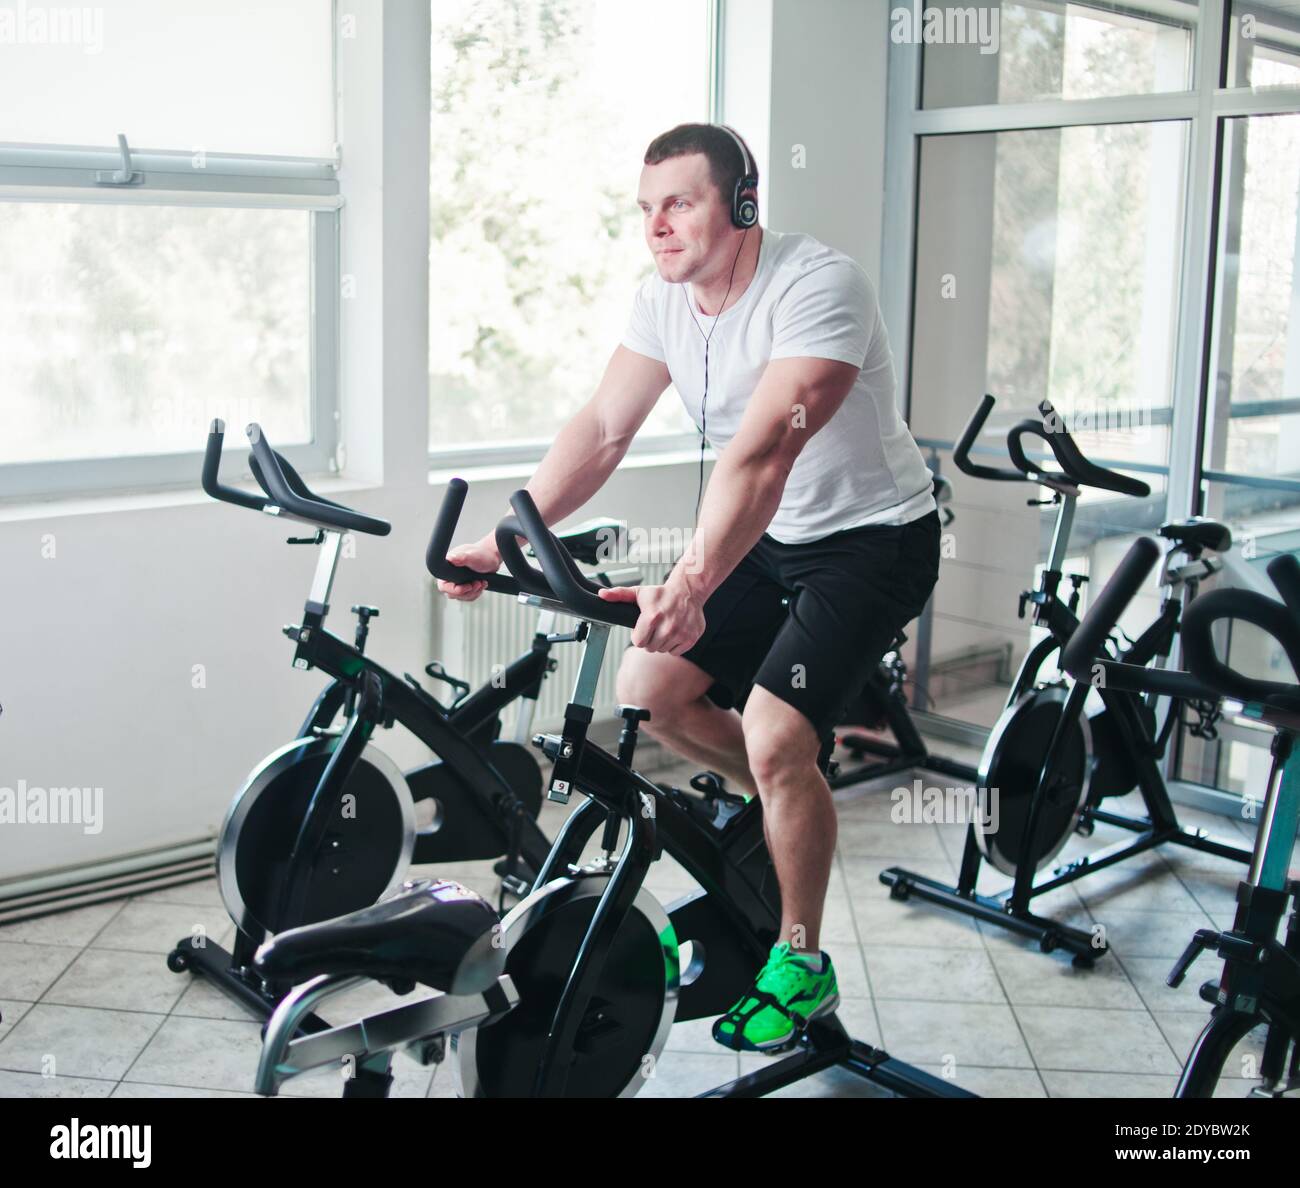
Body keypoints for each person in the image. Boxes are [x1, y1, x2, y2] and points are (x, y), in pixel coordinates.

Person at [436, 123, 940, 1054]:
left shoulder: (819, 288)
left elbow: (767, 448)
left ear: (743, 203)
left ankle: (801, 959)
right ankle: (791, 808)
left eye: (680, 203)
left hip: (872, 541)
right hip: (773, 532)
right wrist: (507, 541)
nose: (657, 227)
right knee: (652, 690)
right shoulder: (663, 304)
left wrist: (695, 575)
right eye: (645, 209)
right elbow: (601, 431)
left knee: (778, 732)